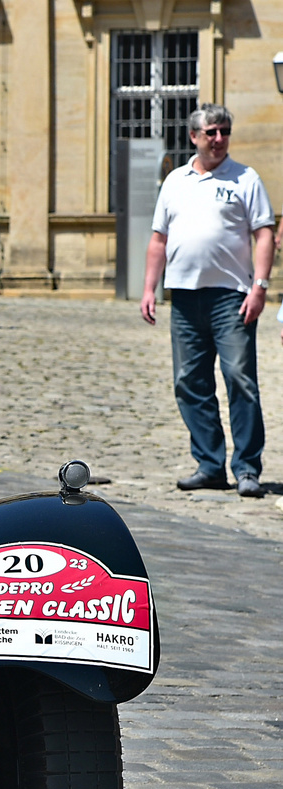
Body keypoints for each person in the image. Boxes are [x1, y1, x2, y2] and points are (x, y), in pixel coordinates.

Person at [142, 104, 275, 498]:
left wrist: (260, 286)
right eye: (212, 132)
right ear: (194, 137)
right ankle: (210, 464)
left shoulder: (245, 178)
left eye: (225, 132)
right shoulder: (175, 181)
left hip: (232, 297)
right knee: (189, 382)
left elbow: (264, 233)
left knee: (240, 380)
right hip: (184, 296)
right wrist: (150, 288)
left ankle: (248, 467)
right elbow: (158, 240)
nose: (219, 139)